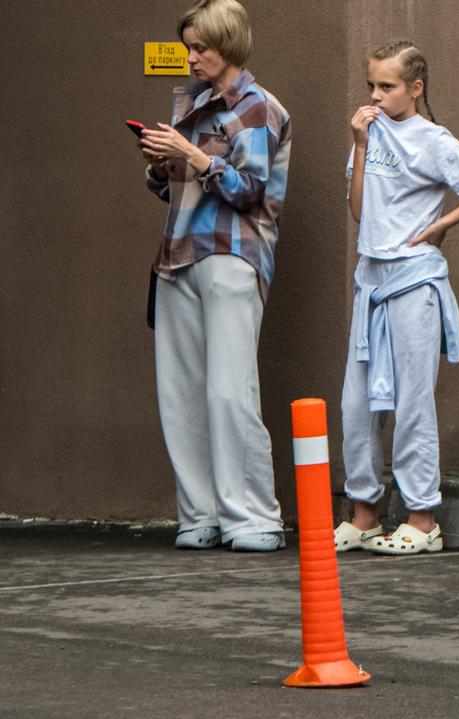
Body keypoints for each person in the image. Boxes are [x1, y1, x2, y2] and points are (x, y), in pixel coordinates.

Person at [332, 40, 459, 556]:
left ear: (415, 88)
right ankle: (364, 513)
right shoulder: (366, 133)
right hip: (371, 282)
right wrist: (362, 145)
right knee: (356, 403)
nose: (376, 95)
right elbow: (358, 213)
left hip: (414, 283)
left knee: (413, 402)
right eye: (371, 85)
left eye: (387, 86)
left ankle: (421, 518)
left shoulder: (433, 140)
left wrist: (443, 223)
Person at [139, 0, 291, 552]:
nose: (191, 56)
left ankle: (252, 518)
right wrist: (164, 165)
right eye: (188, 46)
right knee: (180, 393)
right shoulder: (193, 101)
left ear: (228, 45)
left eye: (200, 46)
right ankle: (199, 514)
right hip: (178, 251)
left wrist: (194, 157)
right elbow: (177, 188)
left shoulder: (257, 106)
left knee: (230, 389)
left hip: (232, 252)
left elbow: (251, 190)